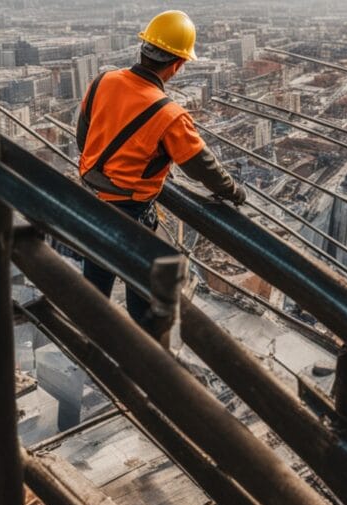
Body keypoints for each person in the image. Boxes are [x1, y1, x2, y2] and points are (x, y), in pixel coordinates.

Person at [77, 9, 246, 324]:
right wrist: (233, 191)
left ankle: (89, 343)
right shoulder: (170, 116)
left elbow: (83, 137)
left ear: (143, 49)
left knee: (92, 289)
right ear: (178, 64)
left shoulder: (103, 81)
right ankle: (147, 363)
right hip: (131, 213)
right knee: (144, 303)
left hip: (92, 200)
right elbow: (202, 167)